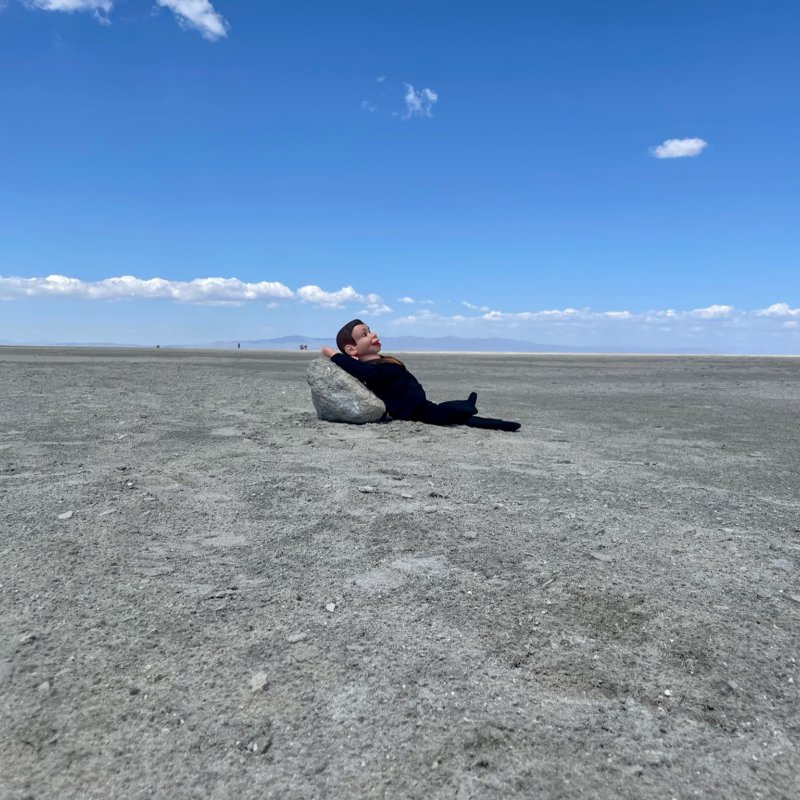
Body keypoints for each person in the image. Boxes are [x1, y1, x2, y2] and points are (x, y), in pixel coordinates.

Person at [320, 319, 521, 432]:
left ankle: (467, 404)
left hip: (419, 404)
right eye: (364, 335)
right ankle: (479, 413)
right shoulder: (370, 369)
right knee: (450, 417)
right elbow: (359, 370)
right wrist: (334, 355)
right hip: (411, 410)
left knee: (442, 408)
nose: (373, 335)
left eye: (370, 330)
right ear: (351, 349)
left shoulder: (380, 361)